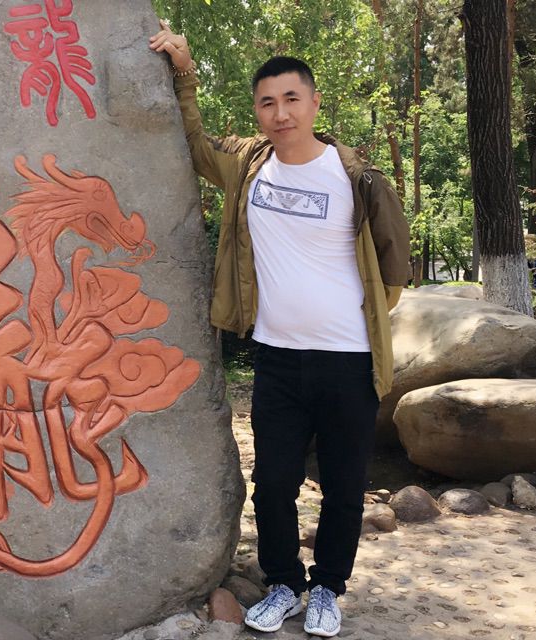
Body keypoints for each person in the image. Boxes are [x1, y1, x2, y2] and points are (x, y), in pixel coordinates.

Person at [150, 19, 410, 638]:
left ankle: (329, 589)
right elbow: (194, 144)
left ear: (314, 103)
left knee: (343, 486)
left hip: (348, 359)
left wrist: (347, 321)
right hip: (277, 358)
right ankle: (285, 584)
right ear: (258, 111)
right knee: (272, 483)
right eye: (267, 102)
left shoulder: (358, 179)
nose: (280, 112)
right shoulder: (249, 167)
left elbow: (393, 270)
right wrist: (184, 73)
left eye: (292, 98)